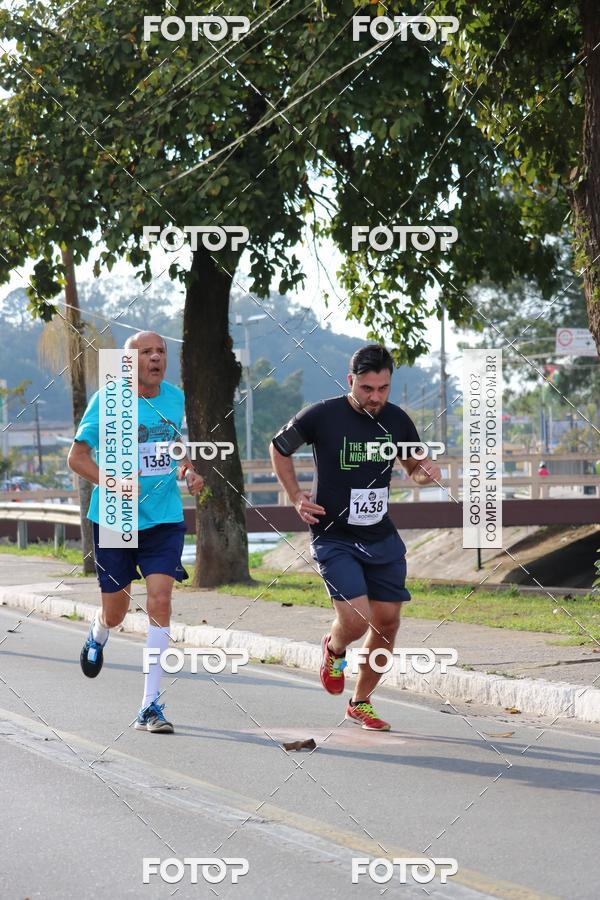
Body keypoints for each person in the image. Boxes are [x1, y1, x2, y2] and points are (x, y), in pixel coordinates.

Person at [269, 344, 441, 731]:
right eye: (367, 388)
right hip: (334, 535)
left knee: (388, 622)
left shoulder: (397, 420)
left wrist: (424, 473)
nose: (375, 397)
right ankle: (334, 649)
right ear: (351, 381)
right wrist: (296, 496)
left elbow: (413, 467)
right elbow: (279, 449)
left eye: (383, 388)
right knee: (357, 619)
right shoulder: (322, 415)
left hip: (380, 535)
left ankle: (361, 702)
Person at [67, 331, 203, 734]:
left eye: (161, 351)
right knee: (117, 611)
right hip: (115, 516)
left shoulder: (174, 398)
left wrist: (187, 469)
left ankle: (150, 705)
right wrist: (115, 484)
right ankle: (98, 631)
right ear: (128, 362)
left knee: (160, 599)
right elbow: (78, 458)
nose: (156, 357)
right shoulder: (109, 401)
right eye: (146, 352)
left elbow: (173, 442)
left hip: (163, 518)